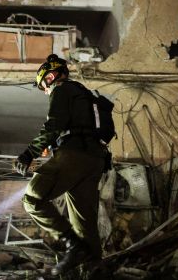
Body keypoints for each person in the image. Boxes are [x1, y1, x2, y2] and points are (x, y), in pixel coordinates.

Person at [14, 54, 106, 276]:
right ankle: (94, 270)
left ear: (51, 76)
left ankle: (73, 247)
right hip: (95, 160)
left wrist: (29, 153)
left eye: (43, 84)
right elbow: (75, 127)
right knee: (85, 224)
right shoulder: (85, 94)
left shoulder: (61, 88)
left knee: (33, 198)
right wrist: (56, 144)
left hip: (74, 156)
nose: (45, 90)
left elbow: (53, 124)